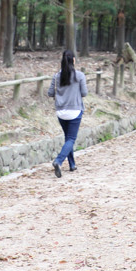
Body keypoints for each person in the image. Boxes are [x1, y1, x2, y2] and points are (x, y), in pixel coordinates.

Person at [47, 49, 87, 177]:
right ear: (73, 60)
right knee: (71, 138)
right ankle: (58, 161)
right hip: (75, 110)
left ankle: (72, 165)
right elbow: (84, 93)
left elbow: (50, 93)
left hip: (60, 111)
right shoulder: (79, 75)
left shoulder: (57, 76)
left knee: (68, 138)